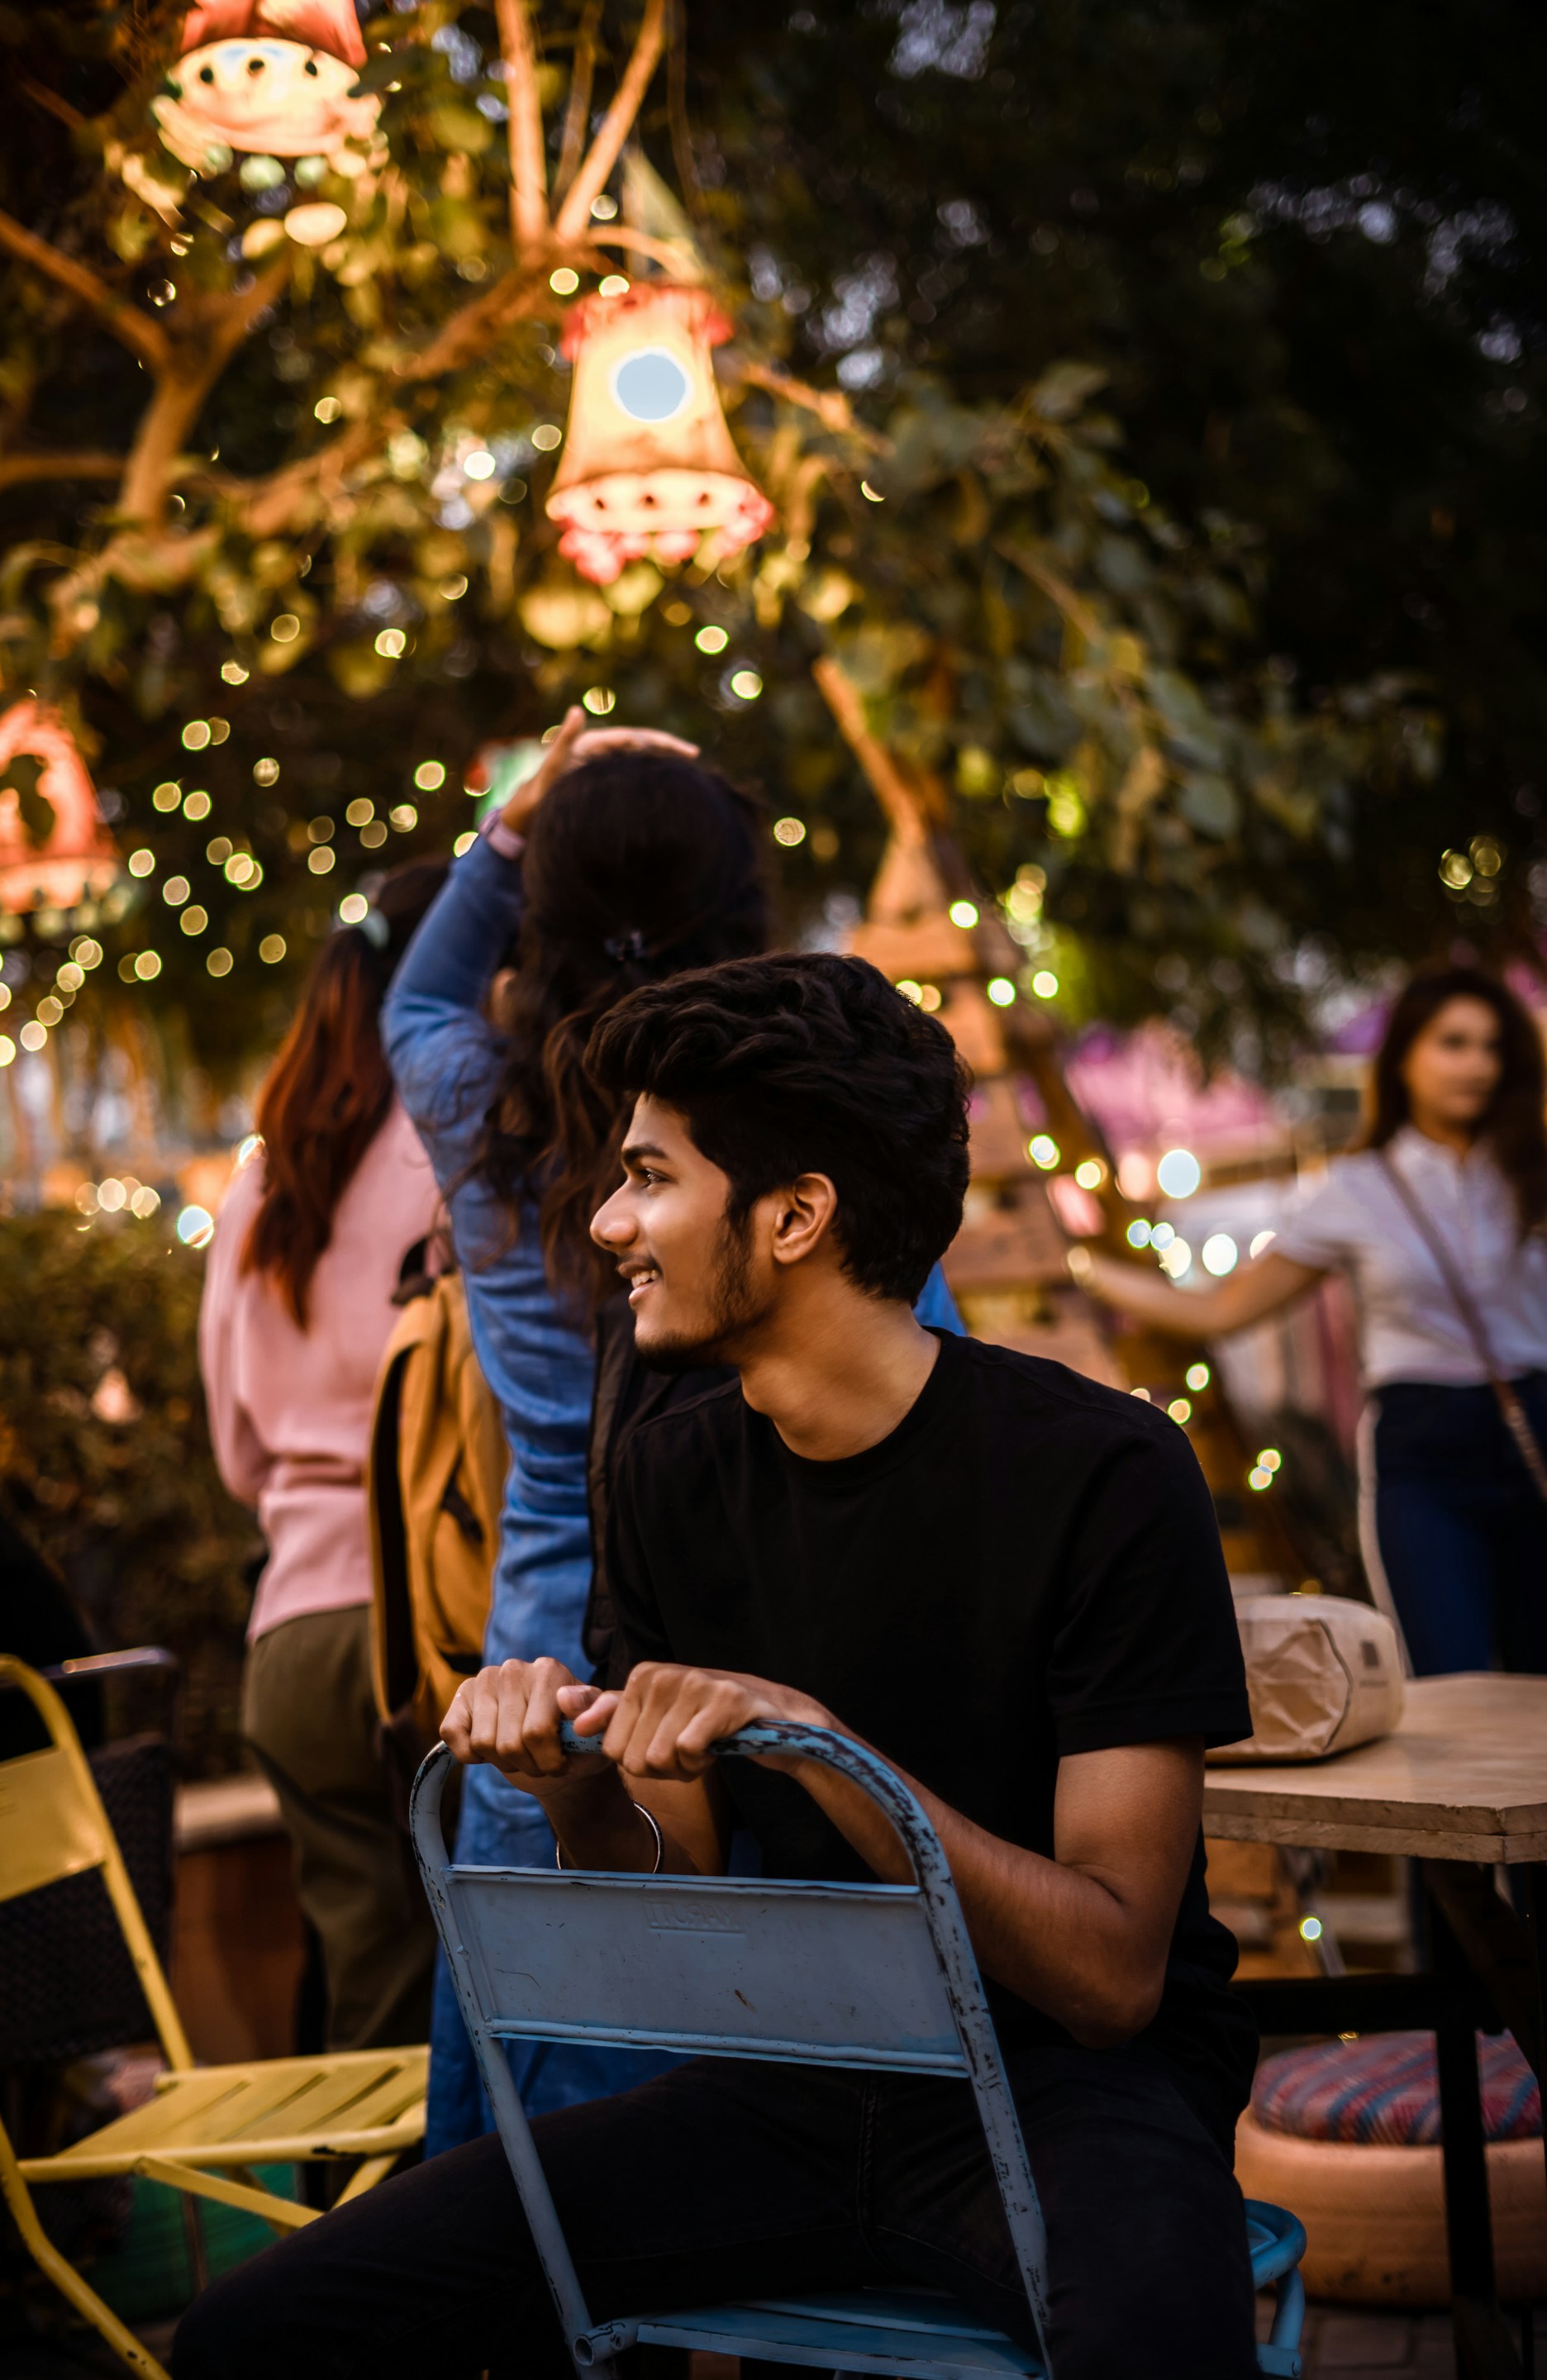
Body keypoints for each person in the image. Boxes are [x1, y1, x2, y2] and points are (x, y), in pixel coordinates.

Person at [174, 951, 1259, 2380]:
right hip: (788, 2093)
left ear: (797, 1214)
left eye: (649, 1177)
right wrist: (563, 1780)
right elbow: (661, 1893)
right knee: (263, 2332)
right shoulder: (669, 1472)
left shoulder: (1103, 1471)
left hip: (1067, 2099)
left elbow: (1111, 1976)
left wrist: (827, 1750)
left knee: (1156, 2349)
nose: (609, 1223)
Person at [379, 712, 963, 2151]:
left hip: (553, 1636)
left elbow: (419, 996)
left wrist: (520, 813)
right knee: (830, 2039)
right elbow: (927, 1345)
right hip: (804, 1607)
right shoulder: (798, 1111)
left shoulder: (483, 1102)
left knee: (564, 2048)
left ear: (543, 906)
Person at [1074, 965, 1547, 1677]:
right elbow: (1224, 1309)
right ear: (1405, 1058)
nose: (1477, 1064)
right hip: (1425, 1451)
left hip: (1536, 1427)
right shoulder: (1356, 1188)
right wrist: (1079, 1269)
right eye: (1454, 1042)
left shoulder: (1530, 1169)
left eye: (1492, 1047)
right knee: (1454, 1691)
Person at [199, 860, 448, 2051]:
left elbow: (237, 1451)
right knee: (490, 1987)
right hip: (432, 1620)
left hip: (290, 1640)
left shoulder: (258, 1181)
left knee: (372, 2003)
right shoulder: (453, 1146)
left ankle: (364, 2228)